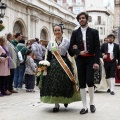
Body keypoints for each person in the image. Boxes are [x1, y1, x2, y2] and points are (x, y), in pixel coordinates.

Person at [40, 24, 80, 112]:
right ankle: (56, 104)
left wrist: (75, 49)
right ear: (53, 32)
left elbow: (71, 53)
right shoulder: (51, 43)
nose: (57, 32)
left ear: (62, 31)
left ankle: (66, 99)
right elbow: (48, 55)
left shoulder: (67, 41)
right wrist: (45, 65)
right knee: (54, 84)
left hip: (65, 64)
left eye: (58, 30)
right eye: (55, 30)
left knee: (66, 83)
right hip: (53, 65)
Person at [68, 12, 100, 114]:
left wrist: (96, 62)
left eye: (83, 18)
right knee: (81, 82)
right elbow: (70, 48)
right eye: (80, 18)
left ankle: (92, 103)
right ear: (78, 20)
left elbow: (97, 48)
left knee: (90, 81)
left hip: (91, 59)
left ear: (86, 19)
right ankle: (84, 106)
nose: (81, 19)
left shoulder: (94, 32)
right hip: (80, 60)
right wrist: (78, 52)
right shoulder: (75, 33)